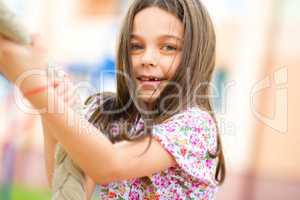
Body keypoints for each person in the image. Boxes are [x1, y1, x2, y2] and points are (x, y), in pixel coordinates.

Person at [0, 0, 226, 199]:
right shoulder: (110, 115)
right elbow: (69, 190)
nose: (147, 58)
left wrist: (35, 88)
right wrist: (52, 101)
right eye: (136, 46)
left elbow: (109, 165)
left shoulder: (195, 127)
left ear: (195, 55)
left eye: (168, 47)